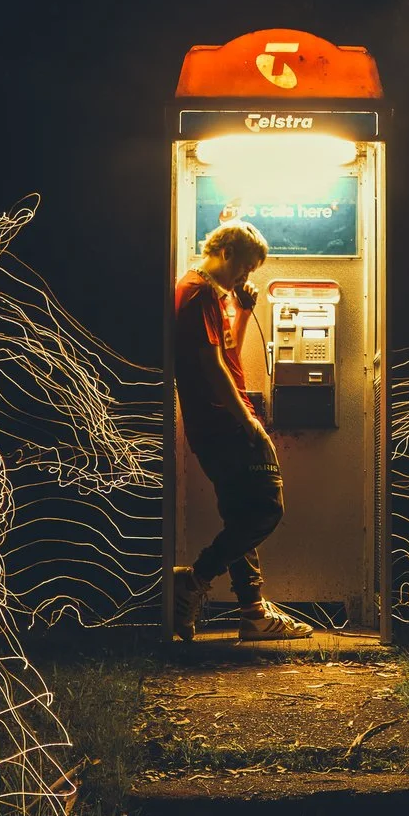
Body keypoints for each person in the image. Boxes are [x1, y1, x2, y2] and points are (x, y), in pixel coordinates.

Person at [170, 220, 313, 641]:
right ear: (227, 252)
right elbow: (213, 368)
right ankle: (193, 581)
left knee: (240, 514)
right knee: (268, 508)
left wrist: (245, 310)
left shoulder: (210, 294)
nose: (246, 278)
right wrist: (247, 421)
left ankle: (252, 613)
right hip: (224, 421)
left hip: (216, 421)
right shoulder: (198, 292)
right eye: (246, 268)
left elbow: (226, 350)